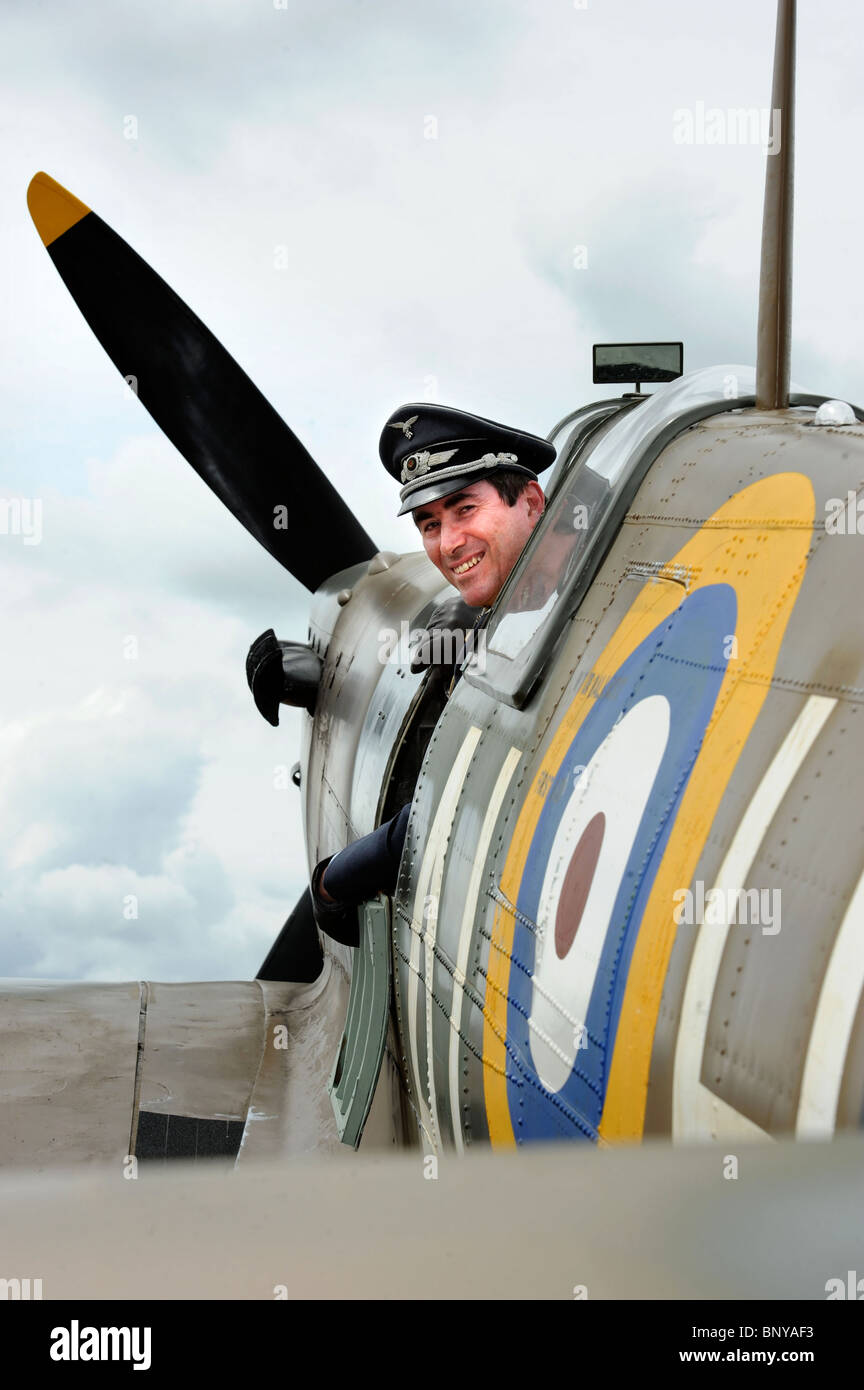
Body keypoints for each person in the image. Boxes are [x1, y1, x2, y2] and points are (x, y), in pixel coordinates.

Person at [311, 403, 555, 946]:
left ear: (532, 501)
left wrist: (333, 883)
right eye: (429, 524)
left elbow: (469, 799)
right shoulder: (524, 601)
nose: (447, 544)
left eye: (465, 508)